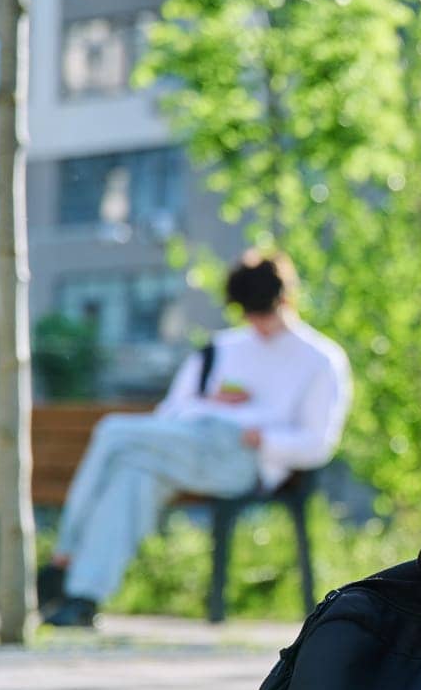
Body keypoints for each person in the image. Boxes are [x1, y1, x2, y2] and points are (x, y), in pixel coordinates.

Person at [38, 251, 352, 628]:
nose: (257, 323)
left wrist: (263, 438)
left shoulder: (320, 358)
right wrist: (208, 402)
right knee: (133, 473)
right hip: (188, 441)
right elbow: (170, 413)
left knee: (112, 431)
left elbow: (319, 443)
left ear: (287, 300)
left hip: (243, 456)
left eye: (264, 312)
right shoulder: (220, 349)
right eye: (248, 314)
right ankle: (83, 597)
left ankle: (63, 557)